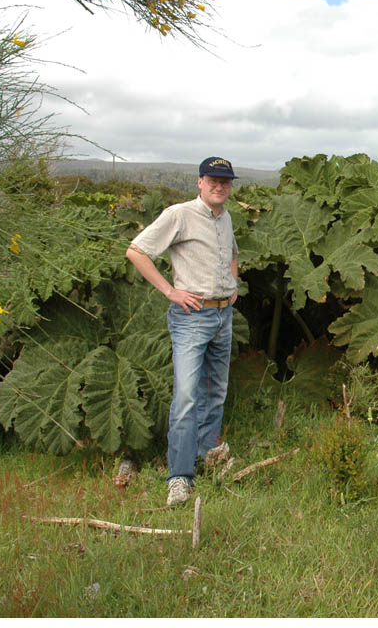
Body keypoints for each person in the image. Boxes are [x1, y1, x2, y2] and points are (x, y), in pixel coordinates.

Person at [126, 156, 240, 506]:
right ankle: (179, 476)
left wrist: (234, 282)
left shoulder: (225, 217)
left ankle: (209, 456)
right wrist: (169, 291)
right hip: (191, 317)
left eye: (225, 181)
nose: (219, 186)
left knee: (214, 392)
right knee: (188, 397)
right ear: (200, 182)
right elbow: (137, 251)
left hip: (222, 315)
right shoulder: (180, 214)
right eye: (212, 180)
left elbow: (233, 253)